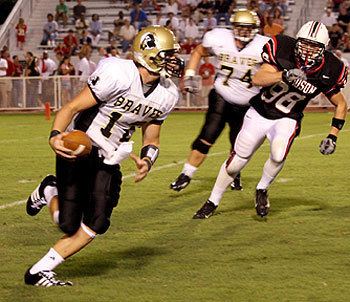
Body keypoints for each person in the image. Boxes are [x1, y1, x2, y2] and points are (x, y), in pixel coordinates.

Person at [24, 26, 184, 287]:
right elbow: (72, 107)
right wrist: (55, 135)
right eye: (168, 54)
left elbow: (152, 139)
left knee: (97, 221)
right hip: (81, 146)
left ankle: (39, 271)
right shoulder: (118, 73)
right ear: (150, 55)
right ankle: (49, 189)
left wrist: (148, 160)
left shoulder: (168, 94)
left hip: (110, 157)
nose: (174, 60)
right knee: (67, 224)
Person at [193, 21, 348, 219]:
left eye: (314, 46)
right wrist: (284, 75)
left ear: (324, 48)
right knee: (236, 163)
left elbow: (341, 104)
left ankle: (262, 188)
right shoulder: (282, 47)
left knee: (278, 154)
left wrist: (333, 135)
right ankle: (212, 201)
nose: (308, 50)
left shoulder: (331, 68)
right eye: (305, 44)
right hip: (260, 111)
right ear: (297, 41)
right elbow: (258, 79)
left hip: (288, 117)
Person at [170, 9, 270, 192]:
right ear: (233, 27)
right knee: (207, 136)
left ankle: (235, 174)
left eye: (248, 28)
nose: (244, 31)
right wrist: (191, 74)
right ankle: (186, 173)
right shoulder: (220, 38)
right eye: (240, 27)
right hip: (221, 96)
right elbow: (199, 51)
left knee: (239, 144)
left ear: (255, 28)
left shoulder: (265, 46)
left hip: (248, 103)